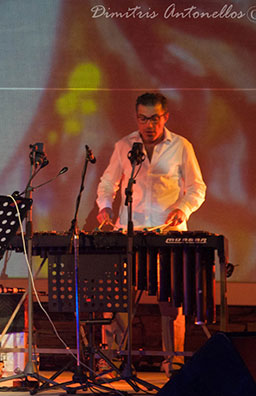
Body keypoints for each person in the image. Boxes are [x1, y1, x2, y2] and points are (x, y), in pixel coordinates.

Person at [95, 92, 206, 376]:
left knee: (171, 303)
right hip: (129, 233)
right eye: (143, 119)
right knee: (117, 301)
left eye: (154, 118)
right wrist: (105, 206)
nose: (148, 125)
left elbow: (197, 188)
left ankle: (174, 361)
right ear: (137, 118)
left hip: (168, 235)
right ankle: (111, 359)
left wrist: (183, 209)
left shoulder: (181, 146)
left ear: (165, 117)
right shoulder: (124, 145)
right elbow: (108, 182)